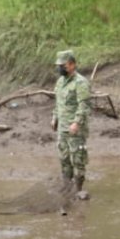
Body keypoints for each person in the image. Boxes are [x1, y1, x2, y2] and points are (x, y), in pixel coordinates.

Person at [53, 49, 92, 201]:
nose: (60, 68)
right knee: (64, 157)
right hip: (63, 127)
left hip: (76, 128)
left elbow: (84, 106)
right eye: (59, 65)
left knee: (77, 157)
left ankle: (78, 189)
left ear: (72, 65)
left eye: (63, 65)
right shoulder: (60, 82)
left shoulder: (80, 83)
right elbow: (58, 103)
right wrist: (54, 118)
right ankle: (67, 185)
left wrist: (76, 123)